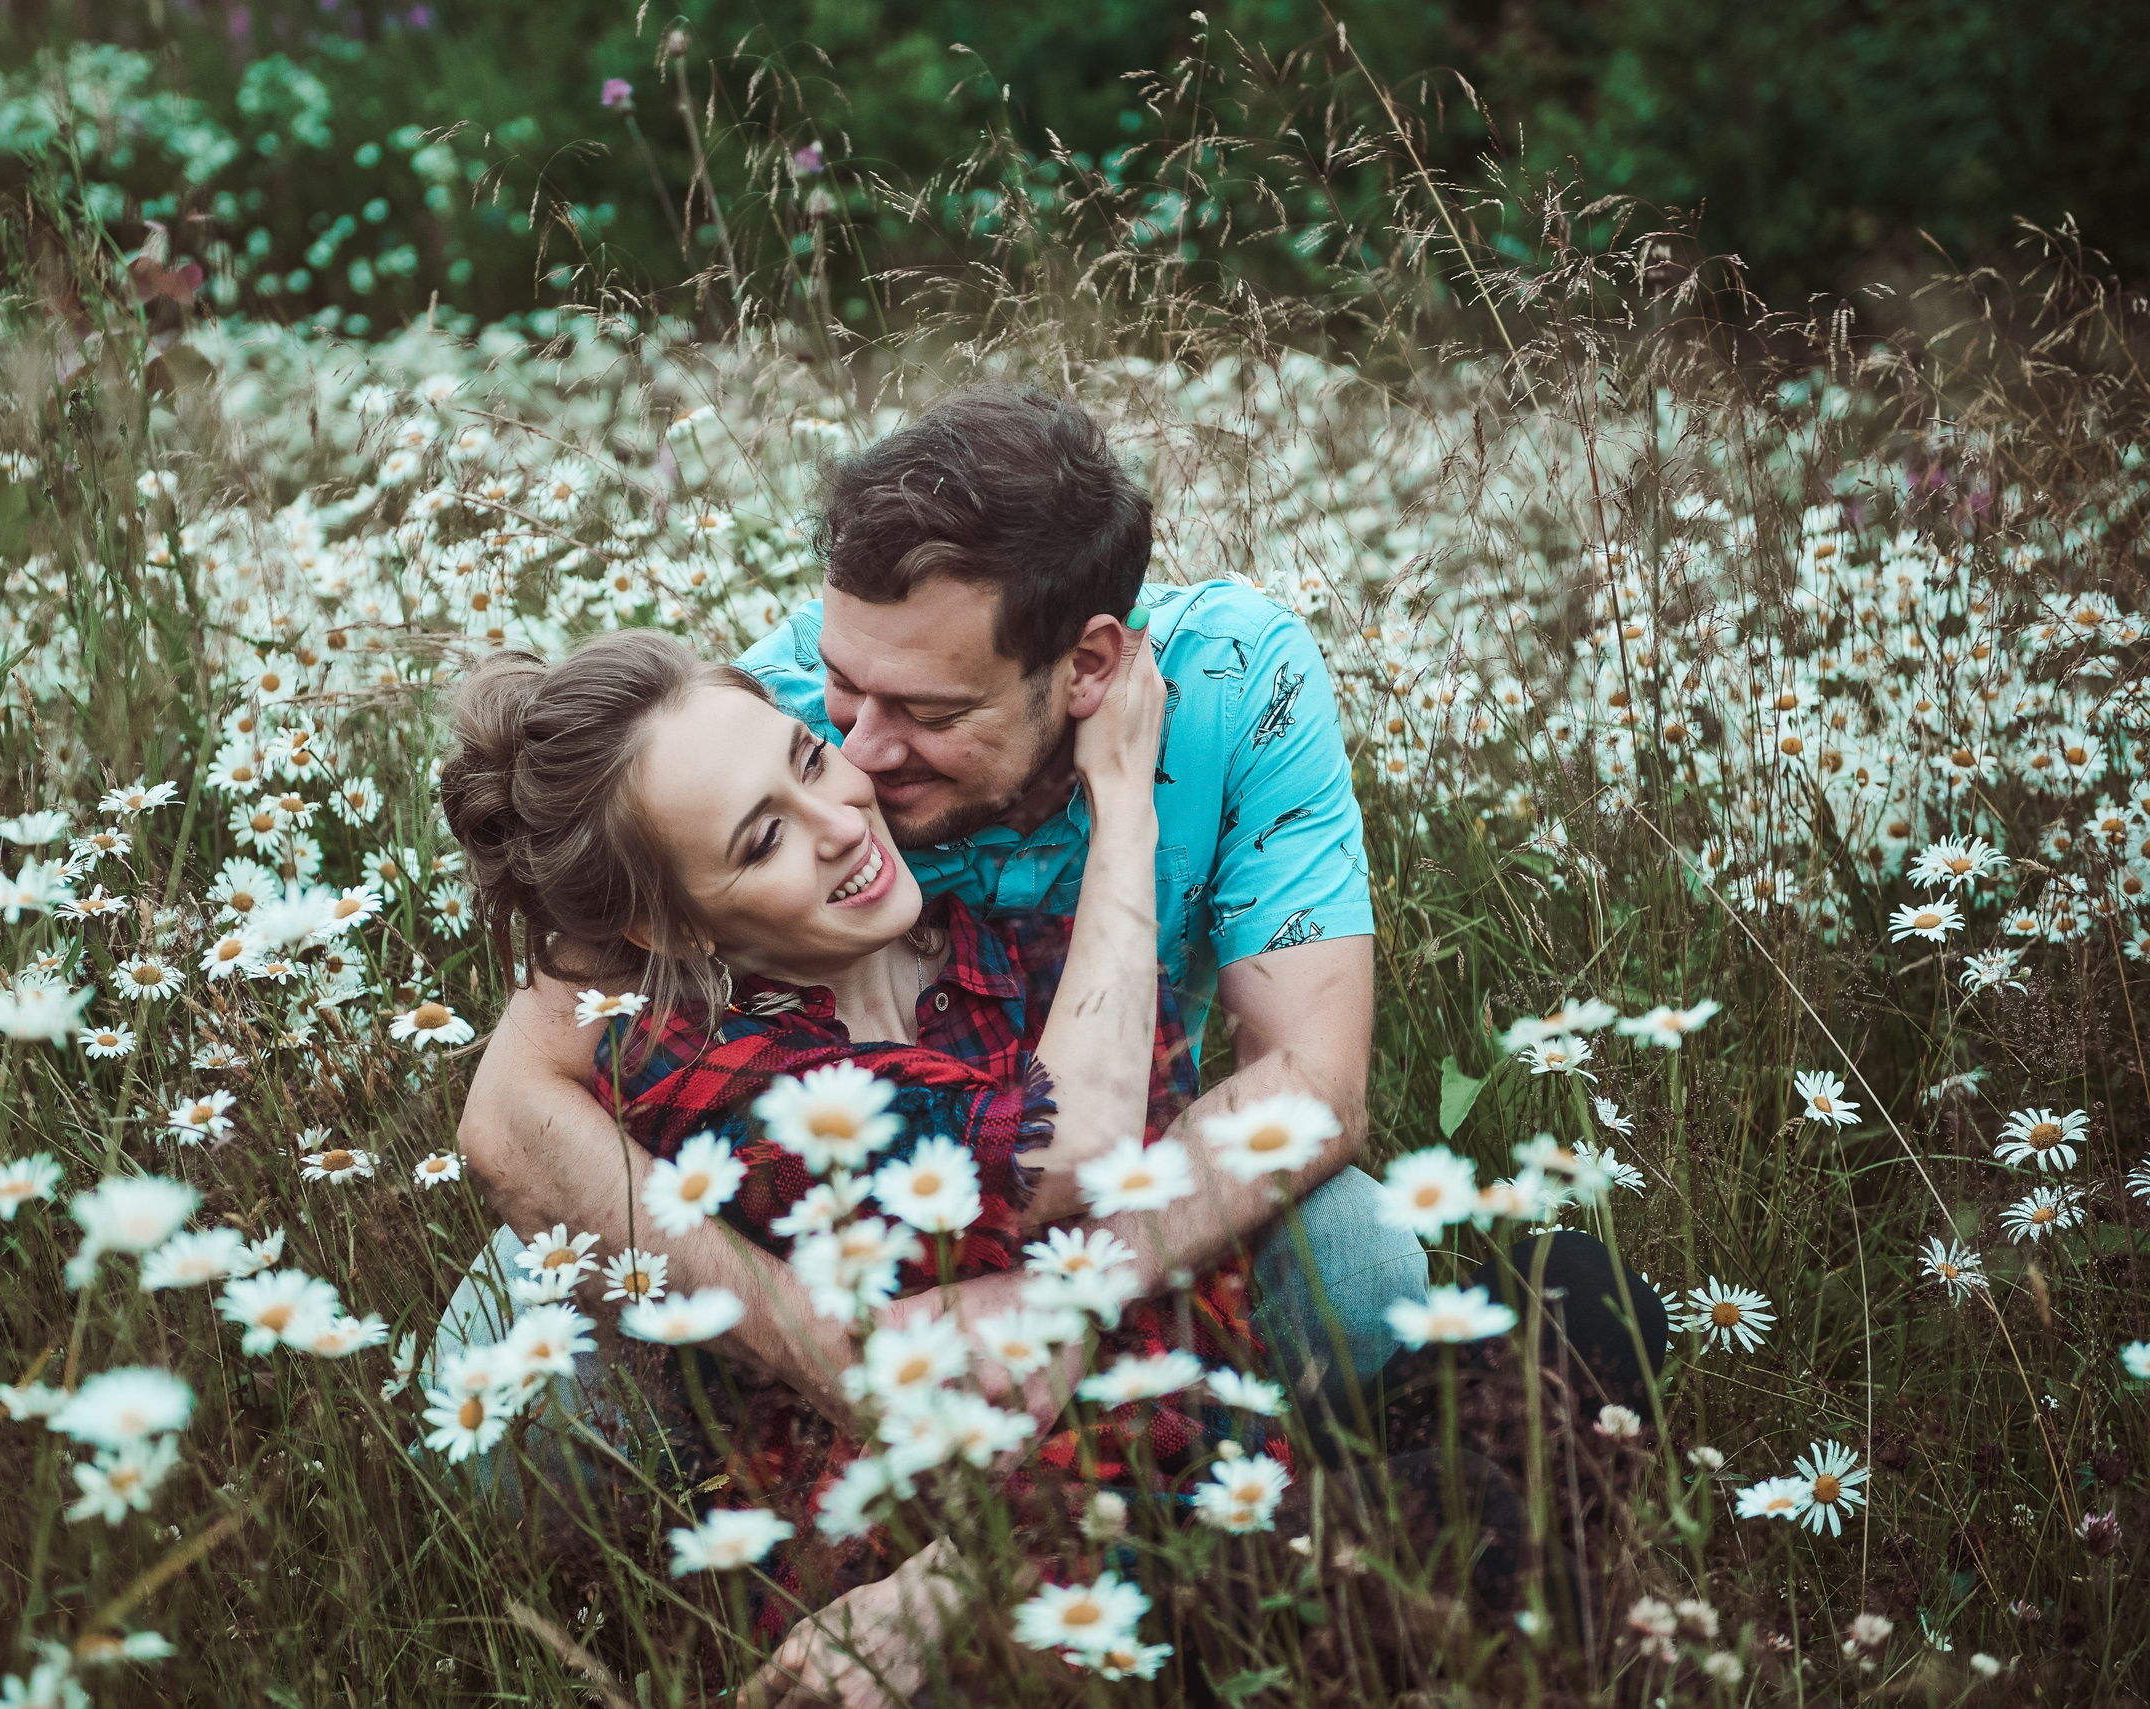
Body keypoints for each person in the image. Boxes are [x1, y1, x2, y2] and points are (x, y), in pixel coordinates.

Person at [433, 628, 1672, 1706]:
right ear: (668, 924)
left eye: (809, 760)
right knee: (1468, 1524)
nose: (840, 819)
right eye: (763, 839)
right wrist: (1121, 791)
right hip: (971, 1565)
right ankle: (1430, 1596)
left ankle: (1374, 1575)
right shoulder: (725, 1076)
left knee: (1587, 1300)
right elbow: (1069, 1150)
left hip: (1167, 1452)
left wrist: (1095, 1301)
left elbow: (1161, 1180)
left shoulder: (973, 946)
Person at [454, 386, 1423, 1436]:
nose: (858, 755)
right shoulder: (767, 727)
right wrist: (833, 1351)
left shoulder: (1237, 686)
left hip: (1101, 1185)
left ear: (1087, 667)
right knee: (514, 1414)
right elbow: (512, 1110)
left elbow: (1313, 1082)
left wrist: (1057, 1293)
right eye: (840, 687)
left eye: (928, 712)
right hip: (796, 1224)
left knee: (1363, 1261)